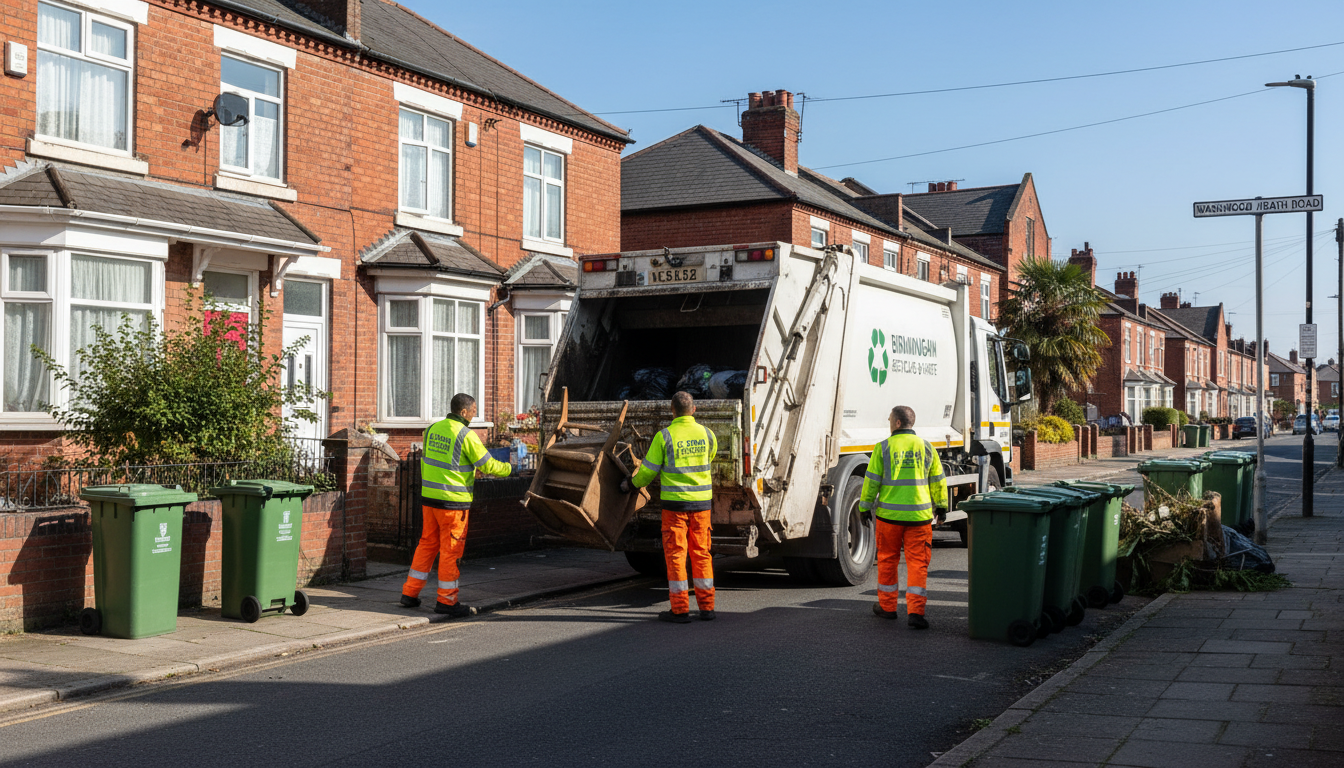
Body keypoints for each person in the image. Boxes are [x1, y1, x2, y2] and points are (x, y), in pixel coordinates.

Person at [401, 393, 511, 617]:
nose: (474, 414)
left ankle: (409, 594)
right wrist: (510, 468)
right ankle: (447, 601)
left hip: (429, 500)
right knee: (450, 552)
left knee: (426, 545)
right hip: (453, 504)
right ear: (463, 412)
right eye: (473, 410)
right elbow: (488, 465)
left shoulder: (431, 430)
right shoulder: (466, 435)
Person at [623, 391, 718, 623]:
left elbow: (648, 470)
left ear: (672, 411)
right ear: (693, 410)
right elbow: (710, 457)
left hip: (675, 507)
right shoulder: (707, 434)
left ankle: (680, 610)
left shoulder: (664, 437)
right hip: (702, 506)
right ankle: (707, 608)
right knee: (702, 554)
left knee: (676, 554)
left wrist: (630, 484)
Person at [860, 405, 948, 629]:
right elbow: (938, 479)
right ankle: (916, 613)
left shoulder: (883, 448)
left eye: (890, 418)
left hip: (889, 518)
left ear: (898, 423)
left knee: (888, 560)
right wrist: (942, 507)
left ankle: (888, 608)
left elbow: (871, 481)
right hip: (919, 517)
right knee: (918, 564)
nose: (889, 421)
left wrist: (864, 507)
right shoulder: (927, 447)